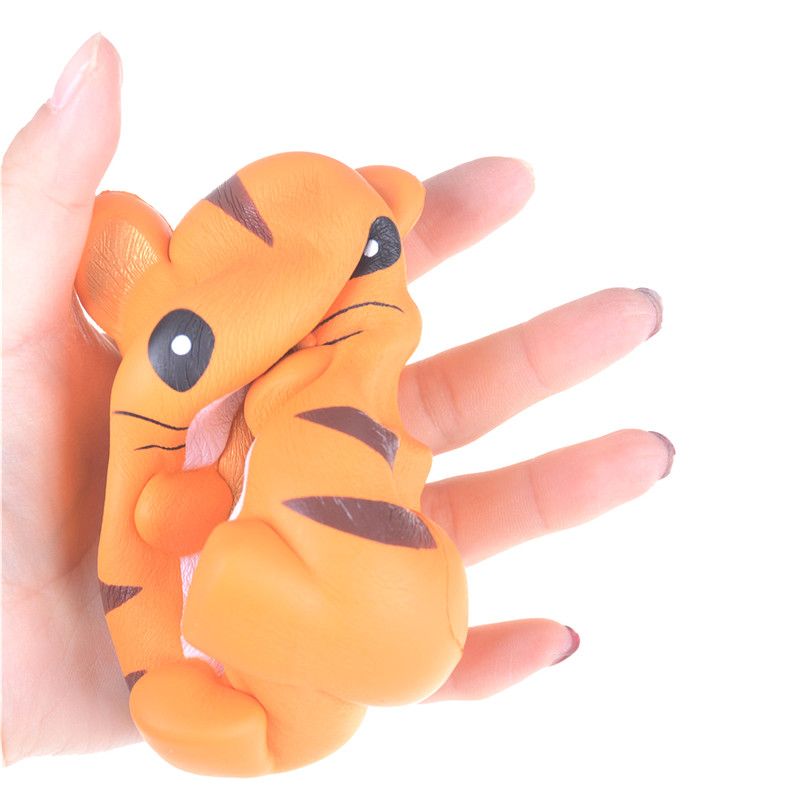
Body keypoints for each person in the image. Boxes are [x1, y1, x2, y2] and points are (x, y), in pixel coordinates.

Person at [1, 35, 673, 766]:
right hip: (221, 595)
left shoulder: (344, 369)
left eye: (371, 251)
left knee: (371, 643)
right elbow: (171, 511)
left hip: (277, 591)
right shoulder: (221, 409)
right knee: (322, 629)